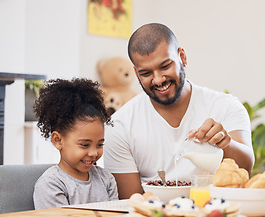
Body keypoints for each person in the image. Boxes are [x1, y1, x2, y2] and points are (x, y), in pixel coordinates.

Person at [104, 23, 255, 199]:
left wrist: (224, 143)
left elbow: (246, 168)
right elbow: (131, 202)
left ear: (182, 57)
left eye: (165, 66)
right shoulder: (119, 125)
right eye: (146, 73)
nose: (158, 80)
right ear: (136, 74)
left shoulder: (225, 106)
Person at [33, 78, 118, 209]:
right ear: (58, 140)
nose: (94, 153)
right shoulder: (51, 184)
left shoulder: (106, 179)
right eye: (84, 145)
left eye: (100, 144)